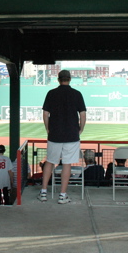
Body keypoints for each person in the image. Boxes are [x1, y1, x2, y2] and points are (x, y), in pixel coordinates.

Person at [39, 70, 86, 204]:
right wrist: (80, 129)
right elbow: (82, 115)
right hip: (72, 134)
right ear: (70, 79)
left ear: (58, 79)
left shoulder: (51, 93)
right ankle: (62, 195)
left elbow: (45, 114)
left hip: (55, 134)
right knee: (67, 164)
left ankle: (43, 193)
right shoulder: (77, 94)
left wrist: (48, 129)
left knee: (50, 161)